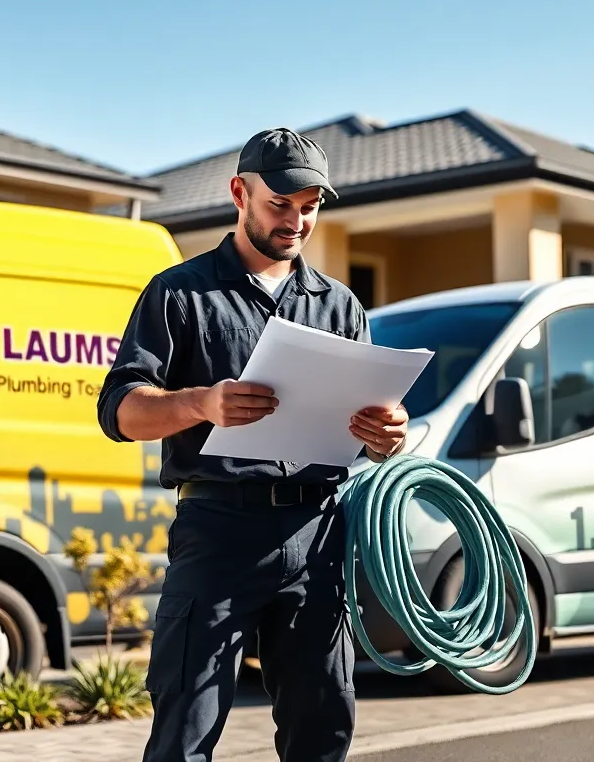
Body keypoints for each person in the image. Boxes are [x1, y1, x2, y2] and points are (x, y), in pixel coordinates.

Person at [96, 127, 409, 762]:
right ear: (240, 192)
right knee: (186, 727)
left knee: (322, 727)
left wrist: (387, 435)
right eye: (280, 204)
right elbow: (120, 411)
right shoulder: (179, 294)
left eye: (310, 207)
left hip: (315, 535)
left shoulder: (340, 306)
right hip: (218, 531)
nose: (296, 221)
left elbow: (365, 431)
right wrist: (200, 403)